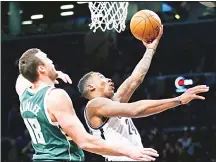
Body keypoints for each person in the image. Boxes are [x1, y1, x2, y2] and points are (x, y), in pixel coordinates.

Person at [77, 26, 209, 161]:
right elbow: (135, 110)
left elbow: (136, 78)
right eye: (101, 77)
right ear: (91, 87)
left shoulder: (112, 103)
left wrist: (150, 49)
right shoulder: (95, 104)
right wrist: (178, 100)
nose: (108, 79)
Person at [15, 48, 159, 162]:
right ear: (41, 69)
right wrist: (129, 151)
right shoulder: (55, 96)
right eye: (47, 59)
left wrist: (51, 73)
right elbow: (84, 142)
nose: (52, 62)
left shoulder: (24, 95)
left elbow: (23, 74)